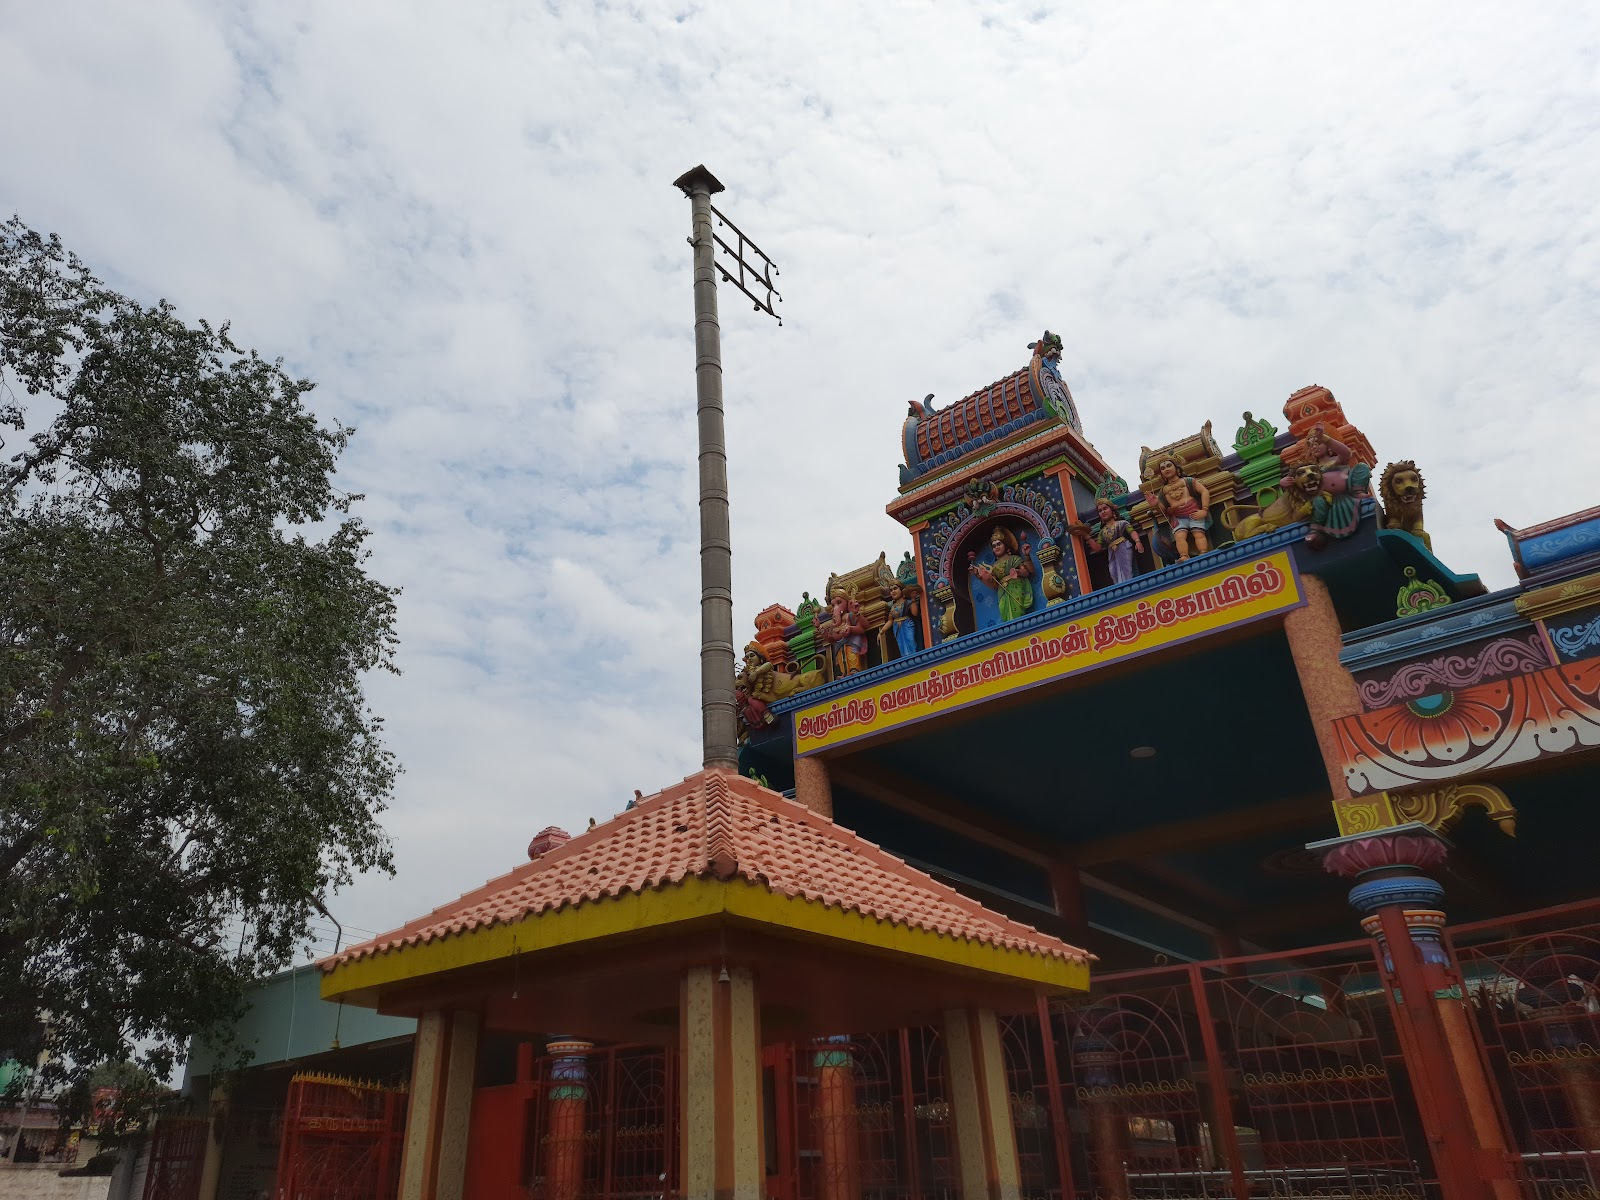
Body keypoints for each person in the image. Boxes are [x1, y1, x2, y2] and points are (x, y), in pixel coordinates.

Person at [1150, 457, 1211, 560]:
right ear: (1161, 474)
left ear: (1177, 469)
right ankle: (1184, 555)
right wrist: (1155, 504)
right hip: (1178, 517)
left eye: (1169, 466)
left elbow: (1204, 491)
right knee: (1179, 536)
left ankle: (1203, 552)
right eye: (1163, 468)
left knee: (1198, 533)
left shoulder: (1187, 481)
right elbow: (1163, 510)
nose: (1166, 469)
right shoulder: (1163, 491)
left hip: (1194, 512)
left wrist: (1204, 510)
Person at [970, 527, 1034, 621]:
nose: (996, 547)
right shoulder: (995, 566)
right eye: (994, 546)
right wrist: (978, 575)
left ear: (1006, 545)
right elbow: (995, 583)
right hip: (1003, 592)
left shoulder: (1013, 559)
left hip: (1016, 589)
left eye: (999, 544)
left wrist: (1017, 572)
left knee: (1018, 612)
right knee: (1004, 610)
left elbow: (1026, 572)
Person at [1075, 498, 1146, 583]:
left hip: (1124, 547)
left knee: (1127, 570)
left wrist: (1138, 541)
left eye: (1105, 508)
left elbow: (1132, 532)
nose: (1103, 512)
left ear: (1112, 510)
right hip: (1112, 552)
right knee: (1113, 572)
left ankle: (1130, 585)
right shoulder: (1102, 532)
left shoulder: (1122, 523)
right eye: (1100, 511)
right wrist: (1086, 536)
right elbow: (1097, 548)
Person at [821, 587, 869, 677]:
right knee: (841, 657)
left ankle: (854, 669)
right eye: (833, 605)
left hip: (852, 643)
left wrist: (851, 628)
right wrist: (826, 634)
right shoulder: (834, 622)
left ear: (847, 602)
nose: (836, 607)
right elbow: (834, 638)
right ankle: (844, 672)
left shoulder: (850, 616)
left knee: (851, 654)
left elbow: (863, 627)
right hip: (840, 646)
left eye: (839, 602)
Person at [888, 581, 921, 658]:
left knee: (910, 641)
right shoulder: (893, 606)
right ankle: (905, 658)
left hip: (907, 624)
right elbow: (890, 620)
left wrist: (913, 599)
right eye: (891, 590)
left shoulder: (907, 602)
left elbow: (915, 613)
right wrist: (881, 632)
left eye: (895, 588)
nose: (893, 591)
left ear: (901, 590)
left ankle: (913, 656)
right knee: (901, 644)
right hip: (897, 627)